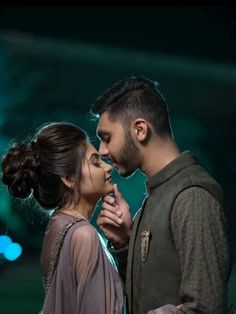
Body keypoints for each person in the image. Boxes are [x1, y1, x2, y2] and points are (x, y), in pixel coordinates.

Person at [90, 76, 234, 314]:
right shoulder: (159, 194)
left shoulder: (192, 196)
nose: (102, 151)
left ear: (140, 130)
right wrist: (125, 242)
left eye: (107, 138)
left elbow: (206, 309)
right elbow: (148, 293)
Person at [1, 122, 125, 314]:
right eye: (95, 162)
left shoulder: (58, 224)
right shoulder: (83, 235)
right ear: (69, 179)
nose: (108, 167)